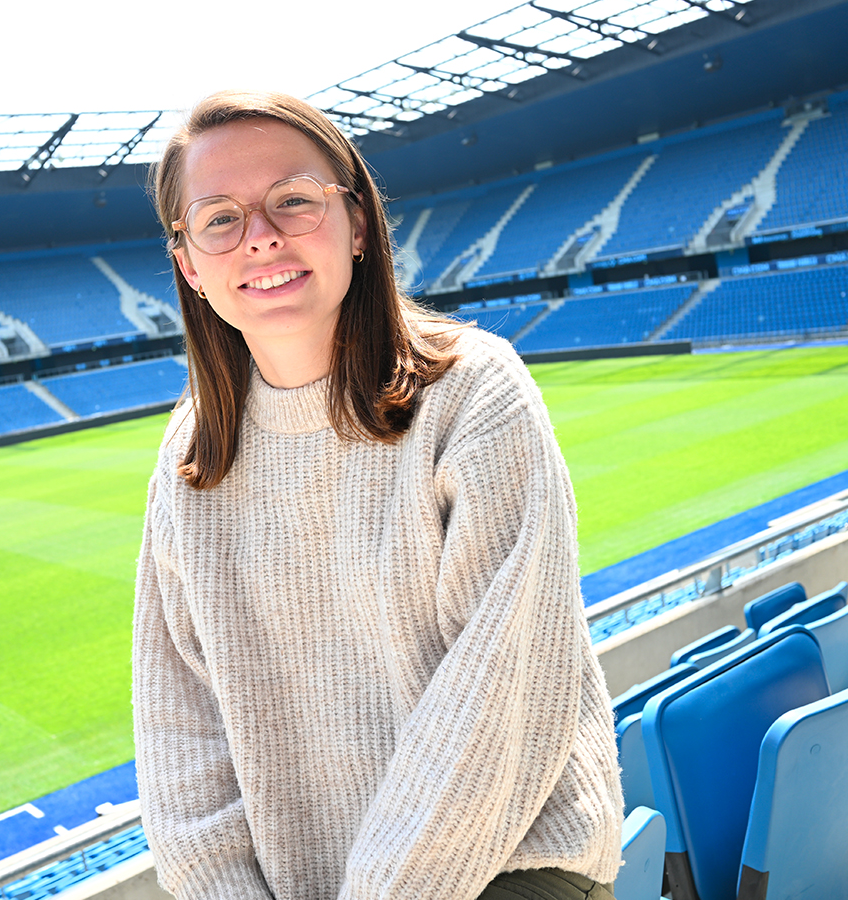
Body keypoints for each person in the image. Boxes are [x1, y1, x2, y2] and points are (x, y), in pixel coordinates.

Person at [133, 90, 623, 900]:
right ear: (189, 263)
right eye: (219, 218)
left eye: (293, 200)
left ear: (356, 223)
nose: (261, 235)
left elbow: (502, 696)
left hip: (507, 867)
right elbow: (179, 733)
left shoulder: (473, 392)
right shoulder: (190, 458)